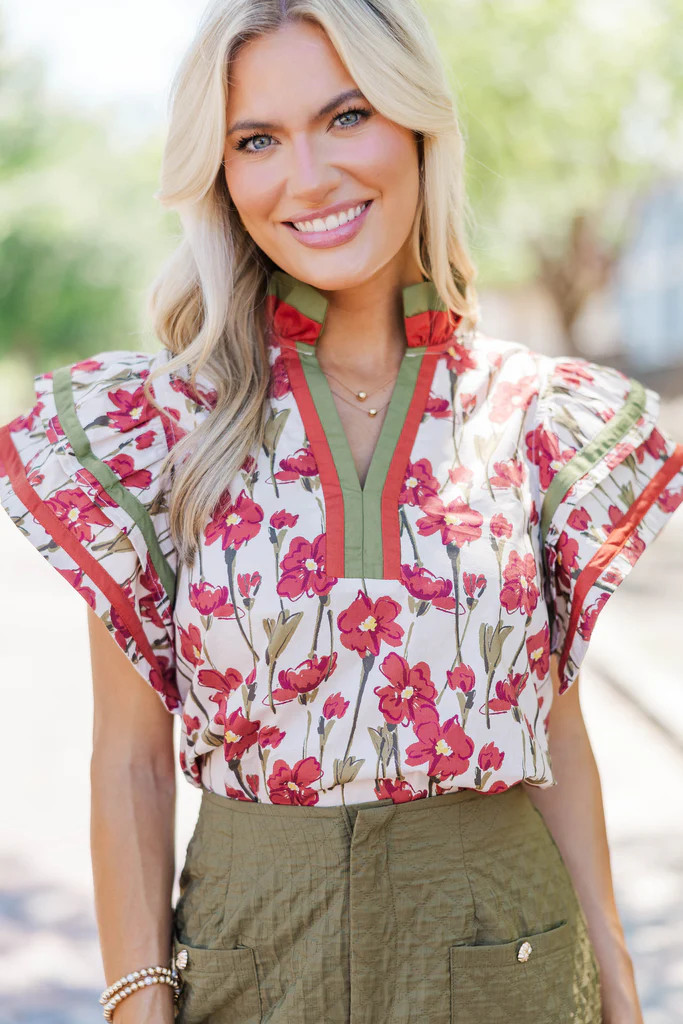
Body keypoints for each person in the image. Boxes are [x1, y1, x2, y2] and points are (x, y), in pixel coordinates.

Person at [1, 0, 682, 1021]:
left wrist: (617, 987)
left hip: (510, 961)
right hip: (251, 960)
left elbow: (551, 733)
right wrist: (136, 1000)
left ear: (417, 127)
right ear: (219, 173)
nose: (308, 176)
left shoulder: (531, 414)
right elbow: (131, 760)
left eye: (347, 116)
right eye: (257, 140)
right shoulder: (159, 426)